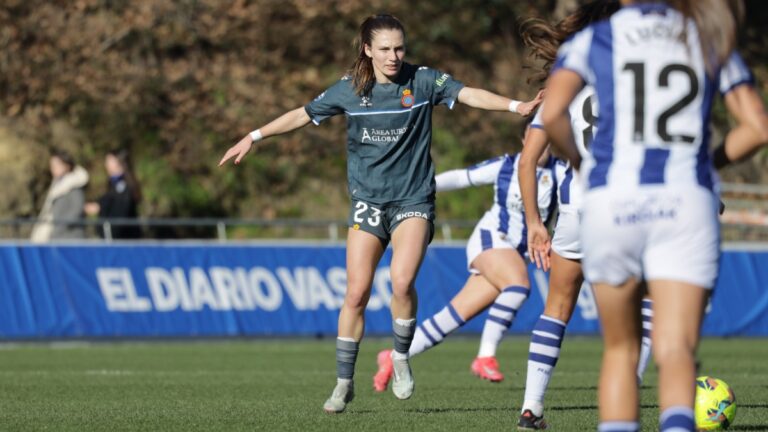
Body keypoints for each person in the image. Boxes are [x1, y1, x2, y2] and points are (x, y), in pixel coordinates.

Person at [218, 14, 543, 414]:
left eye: (399, 48)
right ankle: (343, 382)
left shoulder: (422, 81)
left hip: (413, 201)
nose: (393, 56)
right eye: (385, 49)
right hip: (369, 202)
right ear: (367, 49)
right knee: (356, 292)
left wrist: (516, 106)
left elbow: (470, 93)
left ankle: (401, 356)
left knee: (402, 283)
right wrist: (254, 136)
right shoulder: (350, 89)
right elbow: (302, 114)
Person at [540, 1, 765, 431]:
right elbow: (757, 128)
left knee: (620, 350)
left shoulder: (592, 39)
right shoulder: (707, 36)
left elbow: (551, 116)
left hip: (613, 204)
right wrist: (708, 164)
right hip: (685, 203)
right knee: (676, 348)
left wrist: (584, 165)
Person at [512, 3, 655, 430]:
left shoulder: (565, 83)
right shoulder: (635, 78)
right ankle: (626, 394)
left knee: (556, 307)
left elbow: (527, 161)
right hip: (624, 210)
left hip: (575, 213)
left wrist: (536, 223)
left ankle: (531, 408)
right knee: (646, 305)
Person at [373, 135, 557, 393]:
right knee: (518, 286)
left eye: (547, 139)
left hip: (514, 254)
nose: (542, 145)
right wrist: (418, 189)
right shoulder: (507, 165)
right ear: (525, 138)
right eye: (537, 137)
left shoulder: (560, 172)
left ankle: (393, 356)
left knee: (453, 317)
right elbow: (462, 177)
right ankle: (485, 356)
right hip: (491, 239)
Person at [31, 150, 89, 242]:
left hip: (70, 238)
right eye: (52, 165)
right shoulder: (56, 186)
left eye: (57, 165)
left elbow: (77, 210)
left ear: (67, 166)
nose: (53, 168)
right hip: (56, 237)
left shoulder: (74, 186)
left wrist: (59, 226)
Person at [85, 149, 143, 239]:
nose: (107, 164)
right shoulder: (112, 184)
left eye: (110, 161)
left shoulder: (124, 186)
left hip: (124, 240)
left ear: (119, 162)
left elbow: (120, 214)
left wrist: (100, 207)